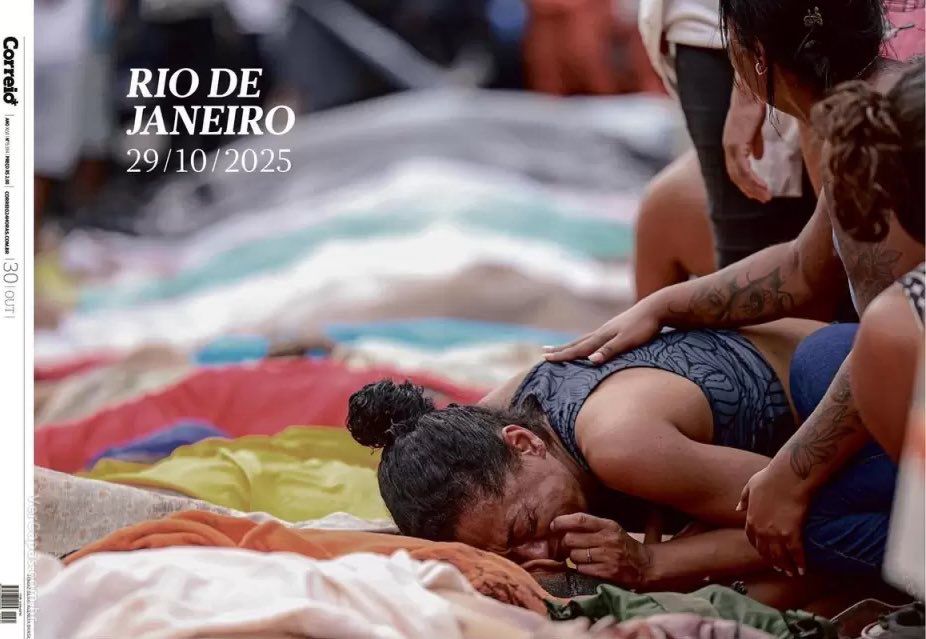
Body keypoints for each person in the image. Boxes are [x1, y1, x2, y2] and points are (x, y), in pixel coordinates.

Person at [545, 0, 923, 575]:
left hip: (909, 358)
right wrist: (665, 305)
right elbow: (801, 268)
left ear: (753, 59)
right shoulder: (868, 109)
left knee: (803, 511)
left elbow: (894, 338)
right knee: (820, 359)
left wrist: (790, 477)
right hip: (899, 355)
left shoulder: (884, 143)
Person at [347, 318, 875, 609]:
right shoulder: (478, 433)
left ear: (524, 444)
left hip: (864, 409)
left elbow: (806, 518)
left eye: (526, 528)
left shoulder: (620, 446)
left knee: (727, 600)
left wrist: (652, 565)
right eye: (513, 556)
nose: (541, 555)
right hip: (810, 441)